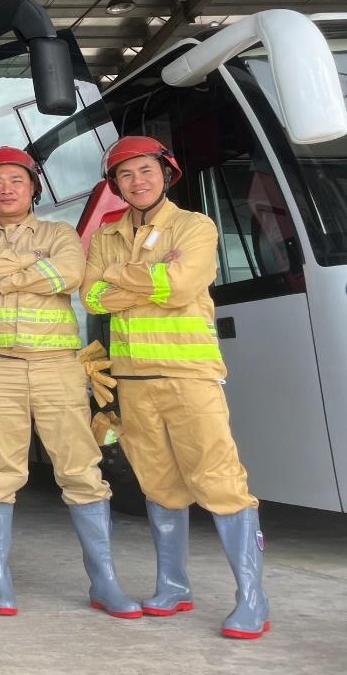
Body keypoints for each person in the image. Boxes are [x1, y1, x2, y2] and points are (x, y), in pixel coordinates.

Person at [82, 135, 269, 639]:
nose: (136, 181)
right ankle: (173, 586)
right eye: (125, 174)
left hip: (190, 376)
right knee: (158, 484)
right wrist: (151, 276)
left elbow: (184, 285)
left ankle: (252, 597)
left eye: (145, 170)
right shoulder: (106, 233)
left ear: (167, 173)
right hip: (134, 379)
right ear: (114, 184)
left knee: (220, 482)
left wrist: (127, 281)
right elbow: (94, 296)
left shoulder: (195, 225)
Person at [0, 147, 140, 618]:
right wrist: (30, 270)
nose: (8, 188)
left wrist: (1, 283)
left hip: (57, 366)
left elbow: (69, 274)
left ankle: (105, 581)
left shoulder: (60, 233)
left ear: (34, 186)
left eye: (17, 179)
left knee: (80, 470)